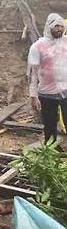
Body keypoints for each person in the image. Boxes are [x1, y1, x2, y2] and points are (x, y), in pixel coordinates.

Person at [28, 13, 67, 143]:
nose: (60, 29)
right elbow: (33, 73)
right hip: (47, 94)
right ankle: (51, 151)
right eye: (56, 26)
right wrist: (33, 95)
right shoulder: (38, 46)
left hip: (66, 91)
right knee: (50, 126)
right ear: (49, 26)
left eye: (62, 26)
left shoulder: (66, 42)